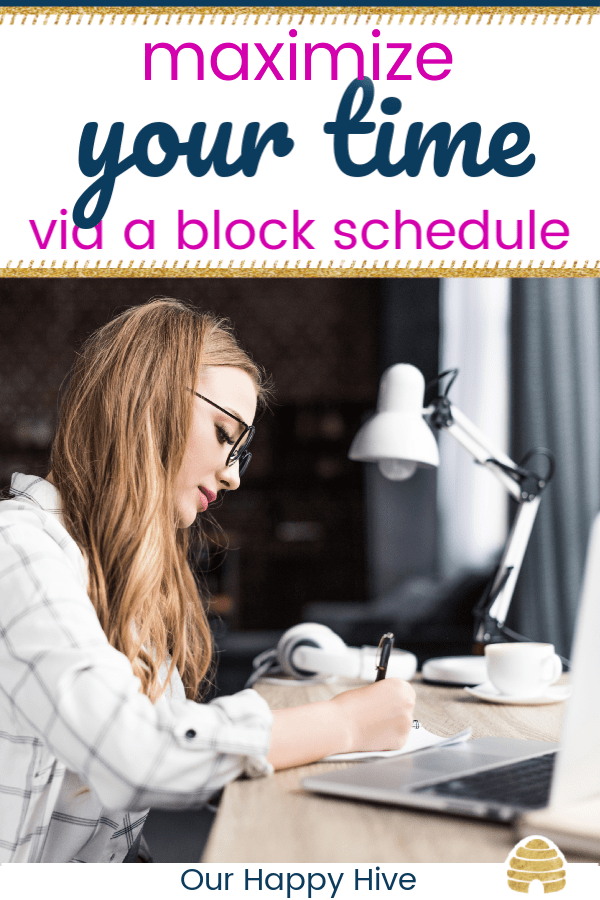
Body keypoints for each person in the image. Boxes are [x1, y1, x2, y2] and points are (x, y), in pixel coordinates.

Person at [0, 299, 415, 863]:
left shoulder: (125, 577)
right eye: (224, 435)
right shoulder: (16, 551)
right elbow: (140, 754)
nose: (234, 475)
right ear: (147, 400)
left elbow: (129, 803)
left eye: (241, 451)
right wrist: (343, 723)